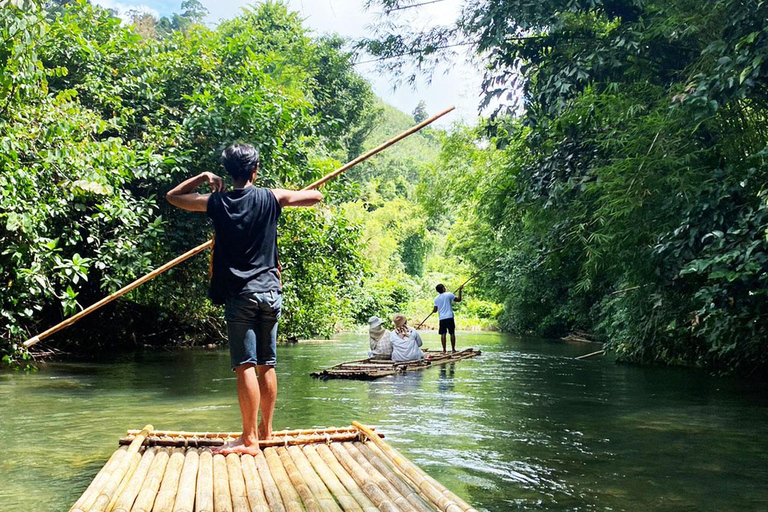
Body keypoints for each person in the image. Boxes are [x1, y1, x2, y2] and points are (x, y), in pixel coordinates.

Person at [166, 143, 323, 455]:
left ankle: (249, 439)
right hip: (271, 292)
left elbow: (174, 197)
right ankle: (265, 431)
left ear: (227, 173)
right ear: (255, 170)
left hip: (241, 295)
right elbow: (315, 197)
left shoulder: (217, 201)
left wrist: (202, 176)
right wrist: (286, 194)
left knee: (245, 365)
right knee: (267, 363)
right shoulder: (272, 197)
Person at [432, 283, 462, 353]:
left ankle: (444, 350)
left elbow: (435, 310)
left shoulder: (436, 298)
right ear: (443, 289)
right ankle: (453, 349)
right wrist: (460, 290)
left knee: (443, 334)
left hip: (442, 318)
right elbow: (459, 300)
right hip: (449, 317)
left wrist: (433, 310)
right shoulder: (449, 294)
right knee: (452, 333)